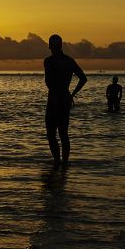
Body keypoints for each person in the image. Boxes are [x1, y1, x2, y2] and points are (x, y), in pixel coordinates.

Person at [43, 35, 86, 166]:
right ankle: (63, 163)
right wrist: (71, 94)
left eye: (53, 45)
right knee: (62, 133)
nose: (53, 47)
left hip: (56, 99)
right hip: (64, 98)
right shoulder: (68, 61)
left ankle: (58, 162)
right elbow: (83, 78)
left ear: (51, 46)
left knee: (53, 133)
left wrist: (71, 94)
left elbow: (49, 82)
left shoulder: (49, 61)